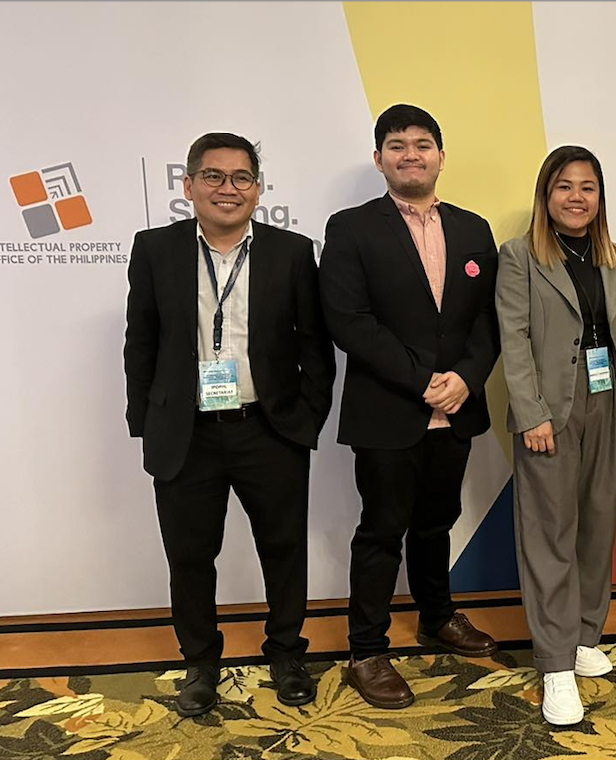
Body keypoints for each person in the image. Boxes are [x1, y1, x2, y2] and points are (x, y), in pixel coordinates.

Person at [123, 132, 335, 717]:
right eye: (213, 176)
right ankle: (200, 662)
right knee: (190, 555)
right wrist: (147, 420)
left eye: (241, 178)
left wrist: (306, 417)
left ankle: (287, 653)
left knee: (283, 548)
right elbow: (139, 342)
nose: (228, 188)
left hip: (269, 427)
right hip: (185, 432)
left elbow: (315, 347)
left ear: (259, 190)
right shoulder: (155, 249)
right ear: (188, 186)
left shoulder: (292, 252)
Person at [319, 104, 500, 710]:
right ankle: (366, 650)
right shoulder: (350, 228)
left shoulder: (475, 229)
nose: (411, 154)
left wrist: (466, 380)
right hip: (389, 408)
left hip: (457, 410)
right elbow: (350, 323)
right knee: (380, 531)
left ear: (441, 157)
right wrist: (426, 382)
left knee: (436, 522)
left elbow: (487, 322)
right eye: (397, 145)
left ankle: (436, 617)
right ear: (379, 159)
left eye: (423, 144)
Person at [496, 146, 616, 726]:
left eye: (588, 187)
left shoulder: (614, 259)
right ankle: (555, 663)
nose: (576, 197)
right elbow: (514, 339)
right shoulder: (519, 256)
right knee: (549, 531)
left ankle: (585, 636)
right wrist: (531, 413)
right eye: (564, 186)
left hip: (608, 400)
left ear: (599, 197)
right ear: (546, 194)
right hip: (549, 408)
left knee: (596, 522)